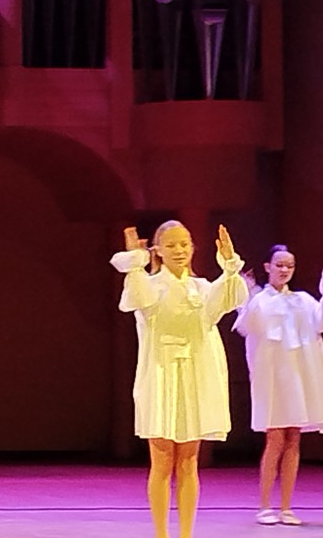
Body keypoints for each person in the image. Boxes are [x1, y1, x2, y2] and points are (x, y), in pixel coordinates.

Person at [111, 221, 247, 538]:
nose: (179, 250)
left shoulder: (202, 288)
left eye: (185, 244)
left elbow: (230, 296)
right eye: (171, 245)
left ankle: (186, 534)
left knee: (188, 461)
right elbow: (136, 295)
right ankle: (161, 534)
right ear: (157, 250)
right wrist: (135, 262)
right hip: (160, 376)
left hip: (195, 377)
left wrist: (230, 264)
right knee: (161, 461)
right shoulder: (149, 285)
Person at [232, 245, 323, 526]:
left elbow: (319, 322)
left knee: (293, 437)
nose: (284, 270)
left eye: (289, 266)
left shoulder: (303, 301)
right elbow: (246, 323)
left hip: (297, 378)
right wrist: (246, 290)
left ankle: (286, 507)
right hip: (272, 380)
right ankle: (264, 505)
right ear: (268, 266)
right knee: (275, 439)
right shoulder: (260, 301)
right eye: (279, 264)